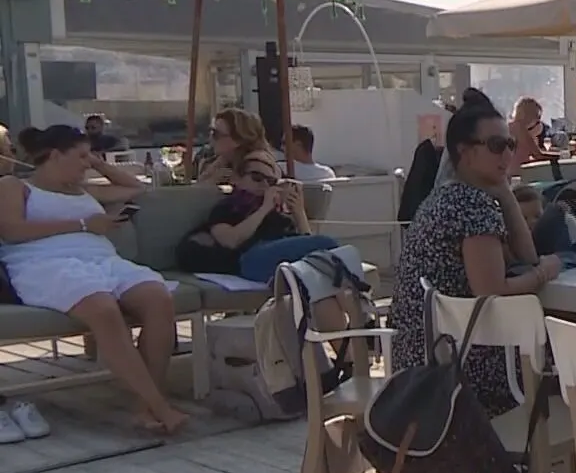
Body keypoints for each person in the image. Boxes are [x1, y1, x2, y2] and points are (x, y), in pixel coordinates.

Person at [0, 125, 188, 433]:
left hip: (102, 260)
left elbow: (137, 188)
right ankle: (160, 406)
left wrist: (99, 163)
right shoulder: (15, 186)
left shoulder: (86, 190)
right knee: (104, 310)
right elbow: (11, 230)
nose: (88, 163)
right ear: (56, 155)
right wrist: (84, 225)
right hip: (44, 263)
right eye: (81, 156)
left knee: (158, 299)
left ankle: (144, 406)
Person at [389, 102, 561, 418]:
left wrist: (506, 194)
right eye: (497, 146)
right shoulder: (470, 204)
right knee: (571, 356)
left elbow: (526, 255)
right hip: (457, 372)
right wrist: (543, 274)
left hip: (422, 360)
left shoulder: (445, 196)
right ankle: (565, 451)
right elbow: (492, 291)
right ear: (465, 153)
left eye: (509, 144)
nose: (508, 154)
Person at [175, 160, 339, 282]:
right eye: (257, 177)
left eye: (271, 181)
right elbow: (230, 240)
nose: (264, 185)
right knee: (329, 244)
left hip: (285, 262)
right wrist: (264, 208)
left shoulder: (278, 215)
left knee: (325, 267)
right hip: (249, 259)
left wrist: (299, 213)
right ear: (237, 179)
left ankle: (353, 314)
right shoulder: (228, 207)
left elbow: (308, 243)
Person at [197, 108, 276, 185]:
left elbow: (249, 195)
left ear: (238, 139)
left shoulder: (257, 167)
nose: (211, 138)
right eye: (211, 132)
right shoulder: (220, 162)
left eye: (216, 134)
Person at [508, 95, 555, 168]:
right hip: (520, 174)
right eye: (536, 116)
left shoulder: (508, 127)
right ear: (529, 114)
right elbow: (538, 155)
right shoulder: (521, 130)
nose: (538, 120)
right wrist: (561, 157)